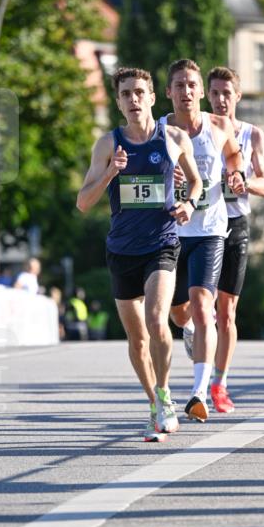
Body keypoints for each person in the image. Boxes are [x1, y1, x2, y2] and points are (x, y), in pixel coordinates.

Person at [76, 66, 202, 441]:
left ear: (152, 98)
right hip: (122, 250)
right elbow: (84, 202)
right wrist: (111, 173)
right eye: (126, 94)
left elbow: (196, 181)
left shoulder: (174, 137)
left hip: (162, 244)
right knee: (137, 340)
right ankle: (154, 402)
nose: (133, 100)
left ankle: (165, 393)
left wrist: (190, 204)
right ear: (118, 102)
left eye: (139, 93)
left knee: (156, 318)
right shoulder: (107, 144)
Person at [163, 59, 242, 422]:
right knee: (179, 315)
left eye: (192, 85)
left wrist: (236, 173)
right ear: (169, 92)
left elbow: (233, 155)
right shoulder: (159, 129)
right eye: (179, 85)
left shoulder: (219, 126)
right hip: (169, 232)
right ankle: (193, 329)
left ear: (200, 91)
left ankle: (198, 392)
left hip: (210, 229)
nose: (187, 91)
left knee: (201, 301)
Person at [201, 66, 264, 413]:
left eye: (227, 93)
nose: (221, 99)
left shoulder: (252, 134)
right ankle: (193, 331)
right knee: (187, 309)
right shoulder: (198, 130)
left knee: (226, 312)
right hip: (199, 225)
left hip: (235, 223)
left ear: (237, 97)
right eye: (215, 93)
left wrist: (244, 180)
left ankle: (219, 383)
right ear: (207, 95)